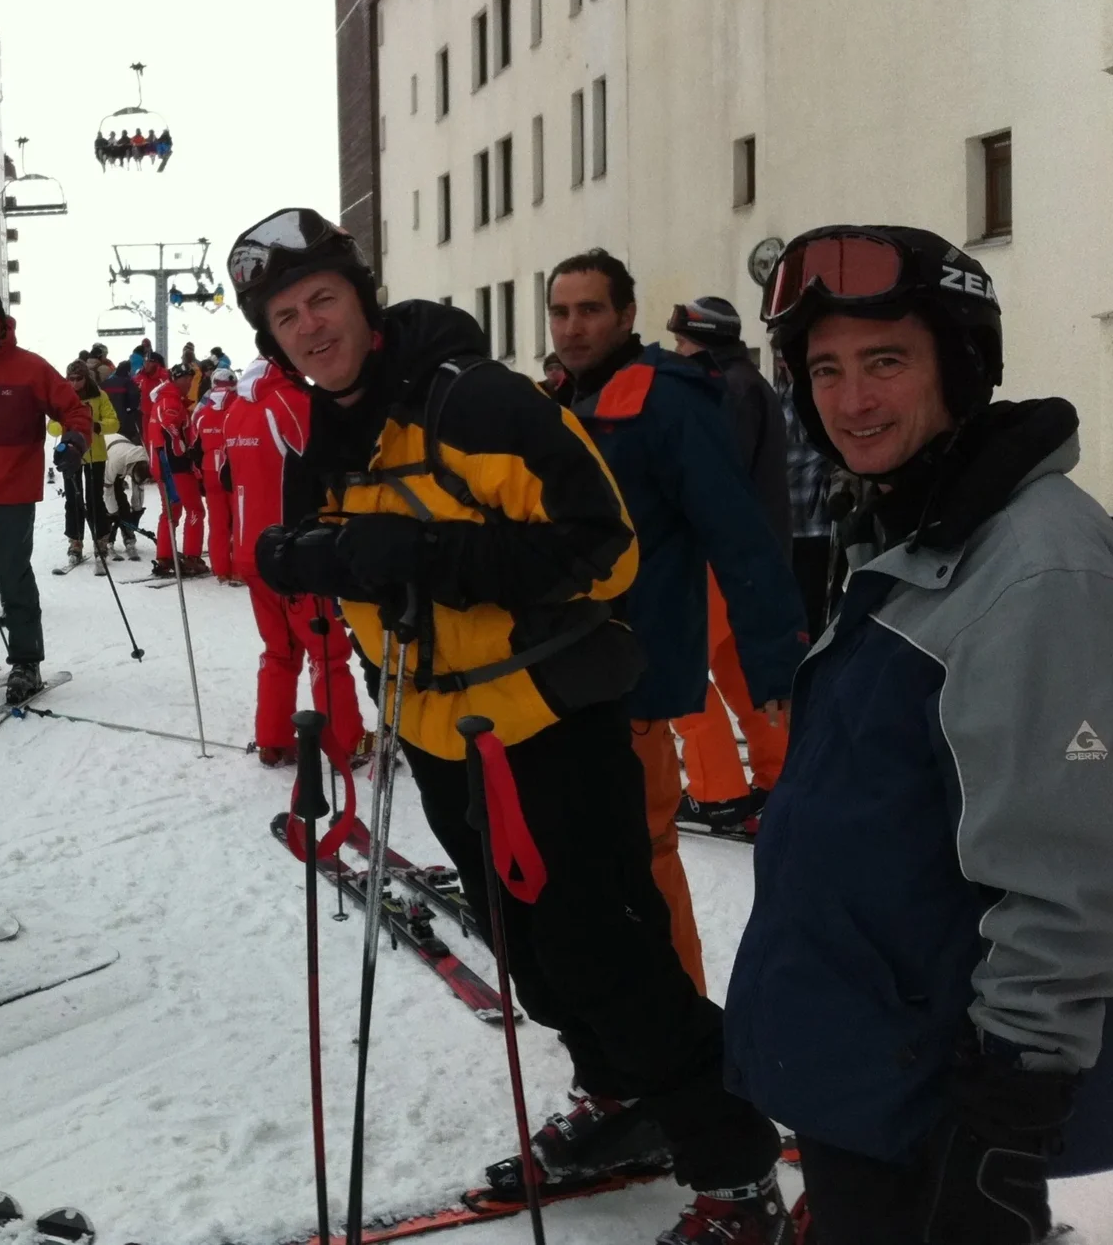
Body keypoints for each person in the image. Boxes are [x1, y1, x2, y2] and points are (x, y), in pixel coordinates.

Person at [238, 209, 791, 1242]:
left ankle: (738, 1168)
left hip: (550, 724)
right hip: (442, 736)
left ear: (360, 296)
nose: (310, 327)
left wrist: (429, 557)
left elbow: (606, 549)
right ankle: (622, 1100)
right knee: (530, 958)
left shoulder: (476, 402)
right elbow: (340, 553)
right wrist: (300, 556)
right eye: (284, 316)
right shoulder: (328, 438)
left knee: (607, 955)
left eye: (321, 300)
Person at [726, 225, 1113, 1243]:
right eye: (826, 370)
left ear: (960, 366)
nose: (851, 402)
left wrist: (1002, 1134)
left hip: (941, 1105)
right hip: (869, 1074)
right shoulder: (916, 532)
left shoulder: (1034, 572)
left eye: (886, 362)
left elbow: (1069, 879)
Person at [549, 250, 806, 992]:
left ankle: (680, 1018)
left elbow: (738, 530)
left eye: (590, 310)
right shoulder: (563, 402)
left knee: (646, 848)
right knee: (588, 853)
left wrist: (775, 657)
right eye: (561, 312)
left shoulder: (666, 398)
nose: (573, 327)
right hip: (560, 671)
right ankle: (622, 1009)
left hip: (635, 668)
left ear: (626, 316)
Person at [666, 296, 792, 831]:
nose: (675, 350)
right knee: (742, 674)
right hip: (751, 559)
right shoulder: (749, 383)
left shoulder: (722, 389)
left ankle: (716, 791)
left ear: (701, 339)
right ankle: (779, 783)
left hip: (714, 557)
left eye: (681, 341)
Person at [0, 283, 92, 703]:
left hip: (14, 490)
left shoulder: (31, 368)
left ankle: (26, 661)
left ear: (0, 320)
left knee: (13, 575)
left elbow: (75, 411)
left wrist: (75, 442)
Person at [223, 355, 367, 771]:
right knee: (327, 650)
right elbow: (329, 462)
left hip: (251, 550)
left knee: (278, 649)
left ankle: (273, 740)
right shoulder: (290, 401)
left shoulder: (236, 408)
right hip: (293, 552)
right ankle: (346, 741)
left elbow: (226, 477)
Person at [776, 355, 836, 640]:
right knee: (809, 606)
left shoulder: (794, 397)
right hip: (807, 520)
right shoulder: (794, 397)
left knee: (804, 607)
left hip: (803, 520)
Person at [52, 359, 120, 574]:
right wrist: (65, 425)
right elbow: (51, 427)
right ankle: (75, 541)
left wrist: (95, 426)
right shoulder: (62, 397)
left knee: (94, 499)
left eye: (78, 379)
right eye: (70, 379)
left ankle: (101, 539)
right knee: (72, 500)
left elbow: (114, 422)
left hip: (95, 454)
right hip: (71, 455)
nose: (74, 383)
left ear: (86, 378)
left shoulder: (99, 395)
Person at [147, 359, 210, 578]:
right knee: (195, 509)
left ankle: (165, 557)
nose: (190, 383)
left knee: (171, 512)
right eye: (188, 378)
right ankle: (191, 557)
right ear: (178, 379)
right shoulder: (171, 401)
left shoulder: (165, 400)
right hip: (175, 465)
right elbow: (170, 429)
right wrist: (184, 453)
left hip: (162, 464)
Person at [192, 365, 240, 583]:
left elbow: (194, 441)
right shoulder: (240, 408)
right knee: (240, 522)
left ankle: (220, 570)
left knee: (217, 522)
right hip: (235, 469)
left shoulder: (203, 411)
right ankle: (240, 570)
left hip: (210, 469)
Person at [100, 432, 150, 562]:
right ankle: (108, 540)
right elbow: (107, 489)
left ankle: (129, 538)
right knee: (110, 505)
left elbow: (138, 487)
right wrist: (113, 513)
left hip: (122, 452)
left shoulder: (142, 461)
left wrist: (137, 510)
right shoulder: (115, 462)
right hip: (104, 454)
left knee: (124, 505)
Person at [101, 355, 143, 444]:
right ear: (128, 371)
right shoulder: (129, 383)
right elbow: (135, 398)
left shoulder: (105, 383)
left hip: (108, 421)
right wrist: (131, 409)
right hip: (125, 422)